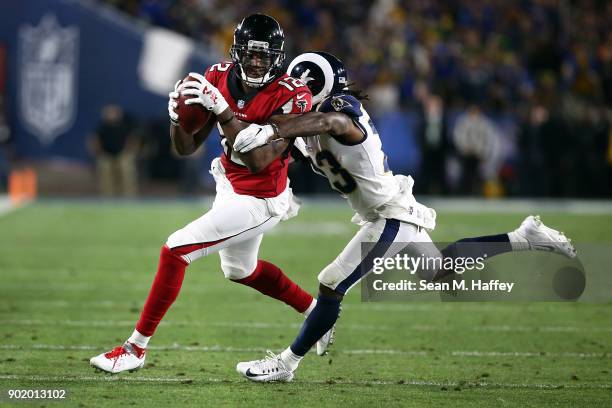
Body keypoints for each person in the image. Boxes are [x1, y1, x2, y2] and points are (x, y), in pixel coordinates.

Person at [229, 52, 576, 382]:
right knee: (443, 273)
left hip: (389, 214)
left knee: (331, 283)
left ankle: (287, 363)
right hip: (383, 209)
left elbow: (331, 121)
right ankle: (524, 237)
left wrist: (277, 129)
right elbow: (288, 146)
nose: (294, 91)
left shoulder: (339, 108)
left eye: (301, 85)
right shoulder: (307, 125)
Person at [90, 14, 333, 374]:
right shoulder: (218, 76)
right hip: (229, 184)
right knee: (240, 269)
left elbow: (260, 161)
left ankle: (135, 348)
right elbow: (186, 148)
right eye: (249, 55)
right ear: (237, 52)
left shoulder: (292, 95)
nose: (255, 62)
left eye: (263, 57)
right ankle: (317, 312)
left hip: (262, 196)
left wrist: (221, 109)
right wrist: (178, 119)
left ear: (277, 58)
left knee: (175, 250)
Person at [89, 104, 139, 197]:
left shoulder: (125, 126)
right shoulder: (101, 128)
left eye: (113, 113)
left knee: (126, 168)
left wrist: (129, 152)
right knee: (105, 168)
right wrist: (98, 153)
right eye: (108, 113)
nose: (111, 115)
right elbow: (94, 141)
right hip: (106, 155)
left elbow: (132, 140)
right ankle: (107, 197)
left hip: (123, 155)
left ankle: (129, 197)